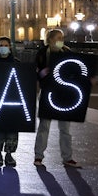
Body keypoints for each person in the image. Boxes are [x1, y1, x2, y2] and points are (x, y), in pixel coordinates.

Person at [34, 28, 81, 168]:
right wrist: (43, 73)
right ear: (50, 39)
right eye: (58, 38)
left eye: (62, 38)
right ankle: (38, 156)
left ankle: (67, 157)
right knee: (44, 126)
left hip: (64, 94)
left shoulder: (67, 52)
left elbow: (75, 70)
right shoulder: (42, 53)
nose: (61, 41)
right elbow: (36, 72)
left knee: (65, 128)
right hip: (48, 92)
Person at [0, 36, 20, 167]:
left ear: (10, 47)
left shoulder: (17, 63)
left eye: (6, 45)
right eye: (1, 45)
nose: (3, 47)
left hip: (12, 100)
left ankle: (9, 154)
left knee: (12, 127)